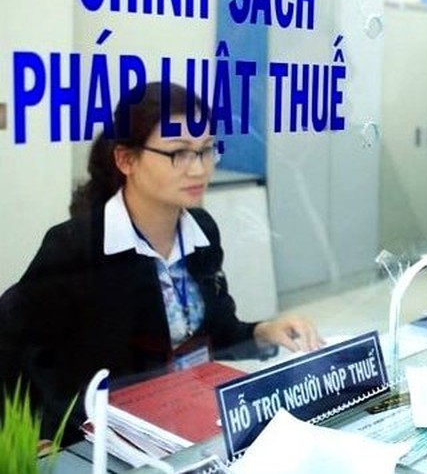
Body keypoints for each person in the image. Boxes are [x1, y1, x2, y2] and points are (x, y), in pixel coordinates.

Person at [0, 82, 322, 443]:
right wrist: (32, 439)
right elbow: (13, 347)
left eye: (206, 150)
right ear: (126, 160)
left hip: (182, 420)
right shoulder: (77, 246)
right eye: (178, 153)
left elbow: (215, 333)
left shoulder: (201, 231)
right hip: (107, 441)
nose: (199, 169)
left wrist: (264, 332)